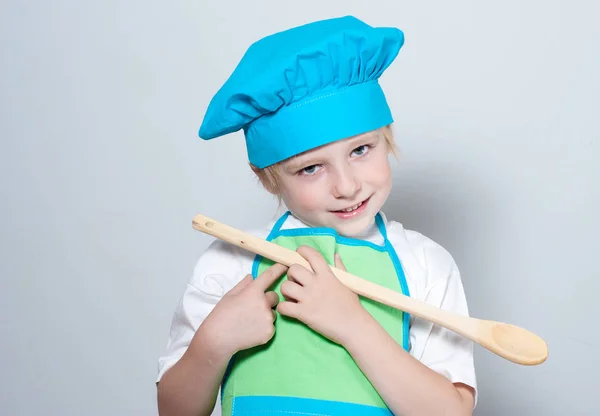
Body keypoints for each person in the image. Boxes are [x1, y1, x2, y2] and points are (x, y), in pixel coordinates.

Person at [156, 15, 477, 416]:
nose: (346, 186)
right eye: (311, 168)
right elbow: (175, 411)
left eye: (361, 150)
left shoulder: (426, 265)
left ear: (386, 139)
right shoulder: (229, 263)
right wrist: (214, 342)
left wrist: (352, 324)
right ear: (269, 179)